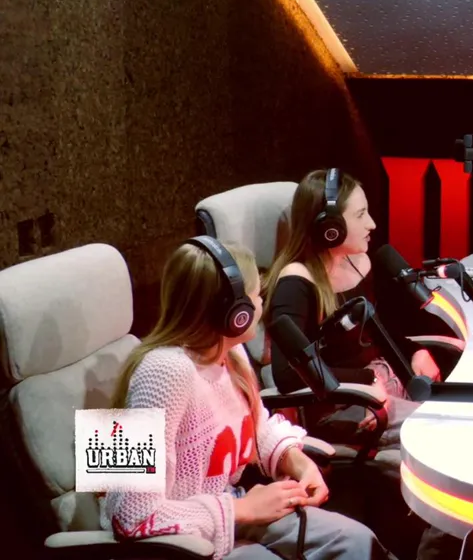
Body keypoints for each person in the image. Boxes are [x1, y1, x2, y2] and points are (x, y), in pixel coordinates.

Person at [103, 237, 389, 559]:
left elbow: (255, 425)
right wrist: (242, 509)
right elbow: (128, 517)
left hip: (227, 512)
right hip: (178, 544)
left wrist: (295, 460)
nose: (261, 301)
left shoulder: (230, 352)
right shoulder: (159, 372)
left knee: (355, 541)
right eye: (255, 294)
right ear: (234, 312)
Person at [264, 168, 436, 442]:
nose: (372, 224)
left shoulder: (357, 262)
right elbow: (287, 375)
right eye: (360, 215)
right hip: (342, 403)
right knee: (439, 429)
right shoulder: (295, 282)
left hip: (380, 385)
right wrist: (364, 380)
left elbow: (381, 330)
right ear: (330, 228)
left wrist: (416, 352)